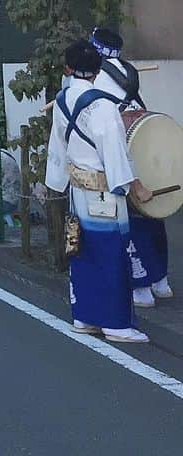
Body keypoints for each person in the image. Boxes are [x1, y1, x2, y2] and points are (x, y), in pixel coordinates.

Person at [46, 39, 151, 342]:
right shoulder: (103, 106)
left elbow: (59, 144)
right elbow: (115, 153)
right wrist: (134, 187)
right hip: (104, 193)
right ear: (97, 70)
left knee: (81, 249)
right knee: (111, 252)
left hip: (77, 191)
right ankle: (115, 324)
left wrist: (54, 182)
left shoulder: (63, 99)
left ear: (68, 68)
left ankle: (85, 317)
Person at [84, 31, 175, 311]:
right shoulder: (127, 70)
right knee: (152, 213)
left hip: (122, 142)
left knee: (131, 217)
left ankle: (142, 287)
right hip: (144, 131)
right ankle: (161, 281)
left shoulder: (95, 78)